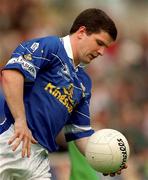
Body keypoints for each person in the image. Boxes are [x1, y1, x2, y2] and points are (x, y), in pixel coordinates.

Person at [1, 8, 126, 179]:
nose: (101, 52)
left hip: (38, 158)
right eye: (99, 43)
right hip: (9, 139)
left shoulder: (84, 83)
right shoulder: (51, 47)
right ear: (82, 32)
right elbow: (11, 75)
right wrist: (20, 120)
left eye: (106, 47)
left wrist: (105, 158)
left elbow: (80, 134)